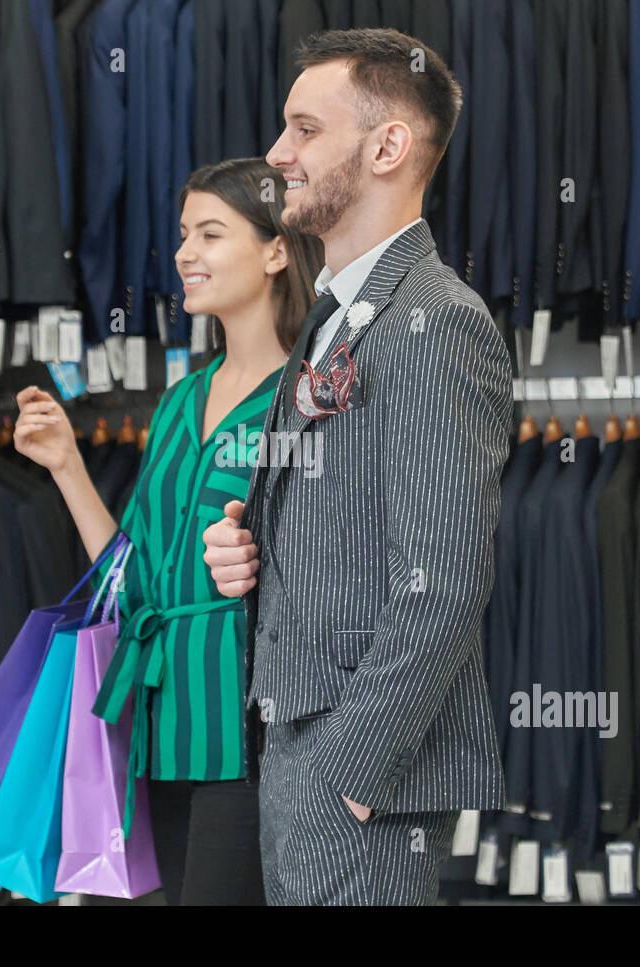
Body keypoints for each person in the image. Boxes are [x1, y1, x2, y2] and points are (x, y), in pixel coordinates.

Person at [203, 28, 514, 906]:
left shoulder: (436, 321)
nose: (276, 154)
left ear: (387, 146)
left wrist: (355, 768)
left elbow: (447, 576)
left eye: (304, 129)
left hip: (360, 770)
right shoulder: (335, 315)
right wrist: (248, 551)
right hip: (300, 739)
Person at [14, 158, 323, 905]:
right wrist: (66, 468)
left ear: (277, 249)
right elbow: (136, 580)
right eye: (184, 234)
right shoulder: (180, 400)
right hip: (160, 731)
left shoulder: (310, 401)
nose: (185, 253)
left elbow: (340, 579)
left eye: (210, 234)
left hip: (253, 737)